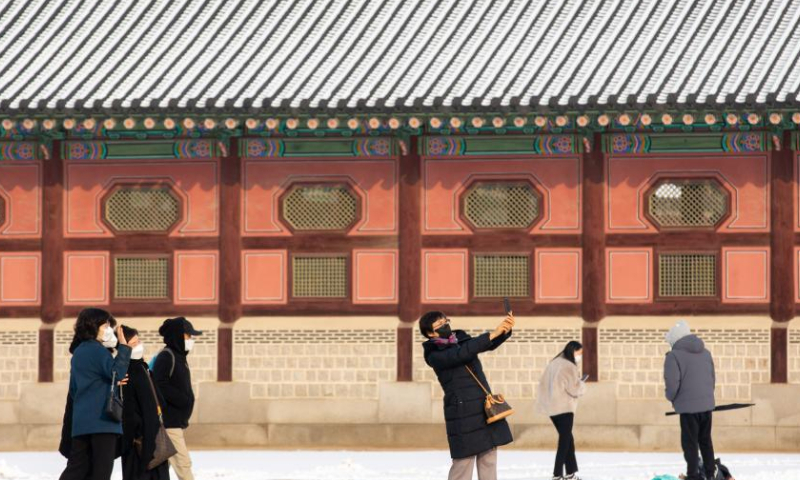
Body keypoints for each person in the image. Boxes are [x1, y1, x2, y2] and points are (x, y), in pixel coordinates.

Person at [420, 311, 514, 480]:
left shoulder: (460, 339)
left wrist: (504, 330)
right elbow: (461, 354)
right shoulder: (434, 354)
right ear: (430, 333)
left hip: (484, 407)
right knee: (463, 463)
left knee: (489, 458)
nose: (445, 325)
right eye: (440, 325)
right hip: (462, 411)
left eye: (445, 321)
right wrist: (492, 333)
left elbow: (485, 345)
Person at [60, 308, 131, 480]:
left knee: (77, 469)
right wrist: (124, 348)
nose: (108, 330)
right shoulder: (97, 350)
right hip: (102, 421)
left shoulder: (79, 352)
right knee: (101, 471)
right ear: (93, 326)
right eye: (105, 325)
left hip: (81, 422)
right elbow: (117, 373)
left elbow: (75, 389)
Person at [664, 320, 717, 480]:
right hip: (706, 405)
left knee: (690, 443)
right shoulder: (706, 352)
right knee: (706, 441)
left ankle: (693, 475)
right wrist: (706, 398)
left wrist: (671, 397)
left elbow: (672, 383)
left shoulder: (673, 356)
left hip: (688, 408)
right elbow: (712, 378)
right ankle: (710, 474)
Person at [152, 317, 202, 480]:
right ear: (178, 336)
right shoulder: (167, 356)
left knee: (162, 466)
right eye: (188, 336)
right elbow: (160, 384)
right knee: (183, 463)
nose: (191, 340)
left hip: (175, 422)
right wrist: (183, 400)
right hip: (168, 422)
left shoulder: (179, 356)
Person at [120, 325, 171, 480]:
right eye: (133, 344)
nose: (139, 346)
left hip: (146, 445)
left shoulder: (142, 369)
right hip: (141, 445)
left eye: (139, 341)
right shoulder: (130, 372)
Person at [536, 341, 587, 480]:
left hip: (552, 408)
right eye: (579, 353)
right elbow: (574, 389)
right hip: (564, 407)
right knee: (565, 441)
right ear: (573, 350)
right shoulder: (569, 366)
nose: (580, 356)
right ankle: (557, 474)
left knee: (568, 438)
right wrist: (582, 384)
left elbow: (543, 384)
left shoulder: (554, 363)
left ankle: (570, 473)